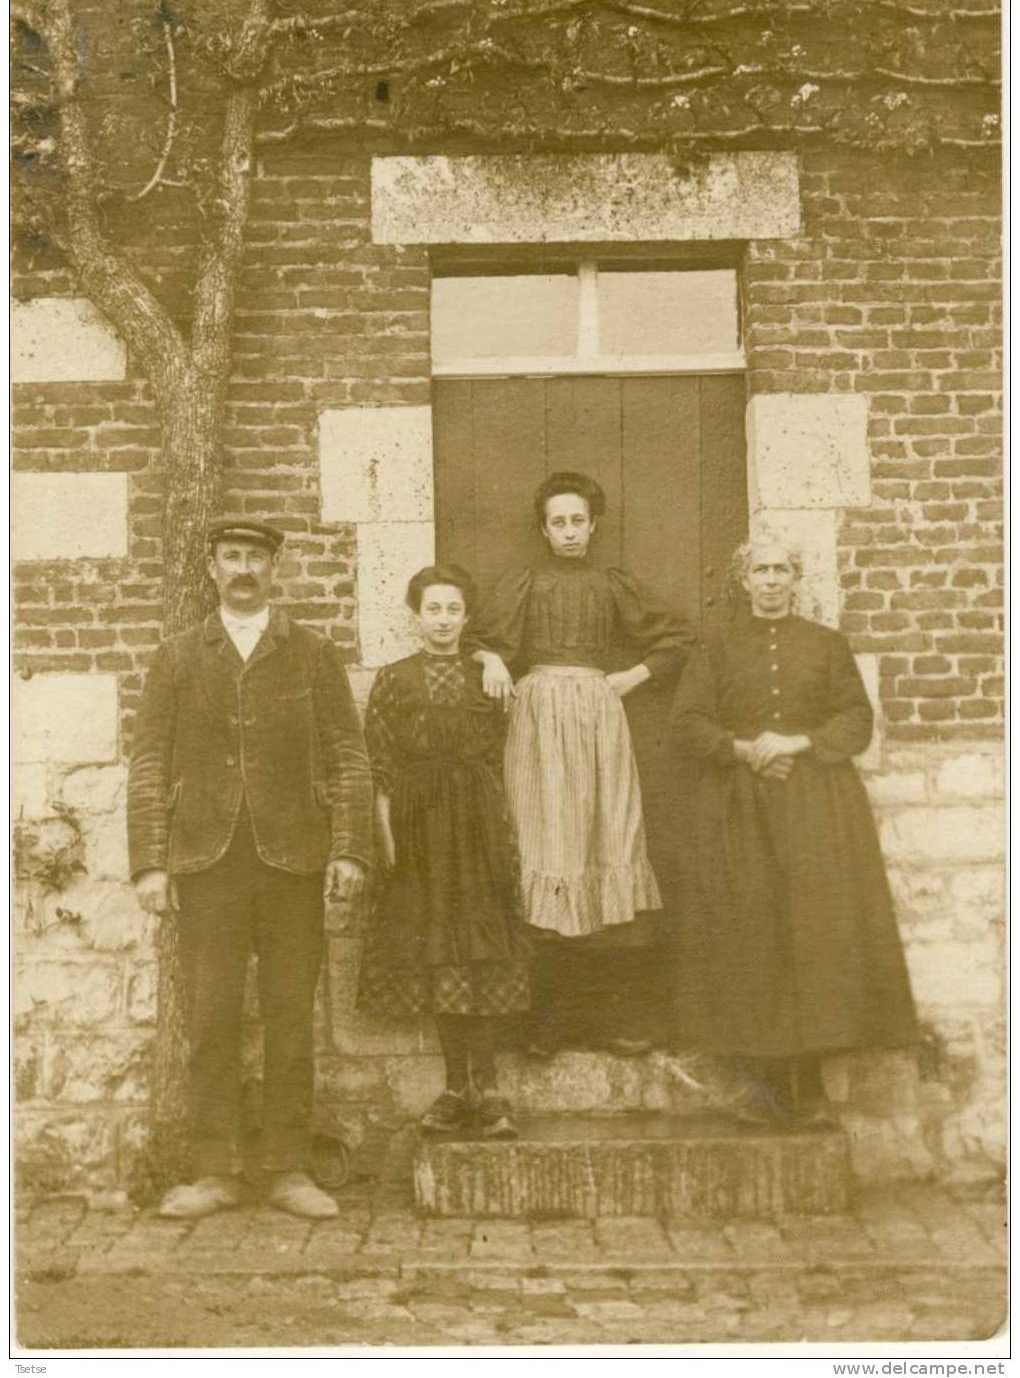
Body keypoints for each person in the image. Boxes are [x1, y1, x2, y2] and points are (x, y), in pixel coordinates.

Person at [128, 517, 373, 1219]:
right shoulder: (178, 656)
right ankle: (214, 1170)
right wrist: (151, 862)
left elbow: (348, 757)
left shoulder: (312, 653)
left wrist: (349, 848)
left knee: (293, 1015)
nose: (243, 569)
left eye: (255, 558)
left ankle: (289, 1169)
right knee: (211, 1018)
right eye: (231, 557)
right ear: (211, 568)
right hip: (206, 862)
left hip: (294, 859)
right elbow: (149, 764)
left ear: (275, 570)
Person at [670, 535, 918, 1125]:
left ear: (796, 577)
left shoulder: (826, 646)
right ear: (744, 579)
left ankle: (809, 1088)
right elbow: (686, 724)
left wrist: (799, 742)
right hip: (741, 811)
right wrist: (743, 749)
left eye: (782, 569)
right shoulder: (717, 647)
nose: (772, 580)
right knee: (754, 932)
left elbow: (856, 721)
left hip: (817, 810)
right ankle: (762, 1087)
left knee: (814, 932)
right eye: (761, 570)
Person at [467, 471, 693, 1054]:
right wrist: (492, 660)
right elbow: (476, 638)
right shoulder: (525, 581)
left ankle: (607, 1018)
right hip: (538, 718)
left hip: (597, 718)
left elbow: (676, 641)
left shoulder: (612, 583)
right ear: (543, 531)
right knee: (547, 849)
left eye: (577, 521)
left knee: (603, 847)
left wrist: (631, 677)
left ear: (593, 525)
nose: (569, 532)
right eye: (557, 522)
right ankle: (547, 1021)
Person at [358, 564, 529, 1137]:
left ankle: (491, 1086)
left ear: (467, 617)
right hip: (420, 826)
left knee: (484, 947)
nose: (443, 620)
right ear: (416, 614)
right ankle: (455, 1087)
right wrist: (387, 838)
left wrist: (490, 658)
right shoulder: (394, 679)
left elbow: (509, 751)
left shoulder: (489, 677)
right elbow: (378, 762)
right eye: (433, 609)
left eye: (454, 610)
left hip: (478, 824)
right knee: (438, 948)